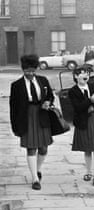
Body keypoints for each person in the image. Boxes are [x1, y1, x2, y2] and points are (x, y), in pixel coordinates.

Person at [9, 54, 54, 190]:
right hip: (26, 117)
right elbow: (13, 107)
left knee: (44, 148)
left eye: (33, 70)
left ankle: (38, 169)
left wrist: (48, 101)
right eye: (27, 71)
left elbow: (51, 96)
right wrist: (15, 127)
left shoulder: (43, 80)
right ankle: (35, 178)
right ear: (23, 69)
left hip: (42, 116)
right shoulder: (16, 85)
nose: (30, 73)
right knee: (31, 148)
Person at [68, 67, 94, 187]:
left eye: (87, 74)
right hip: (83, 121)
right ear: (76, 76)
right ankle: (88, 172)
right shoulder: (73, 91)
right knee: (87, 149)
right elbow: (78, 108)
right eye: (82, 73)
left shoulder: (92, 86)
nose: (85, 75)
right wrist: (91, 99)